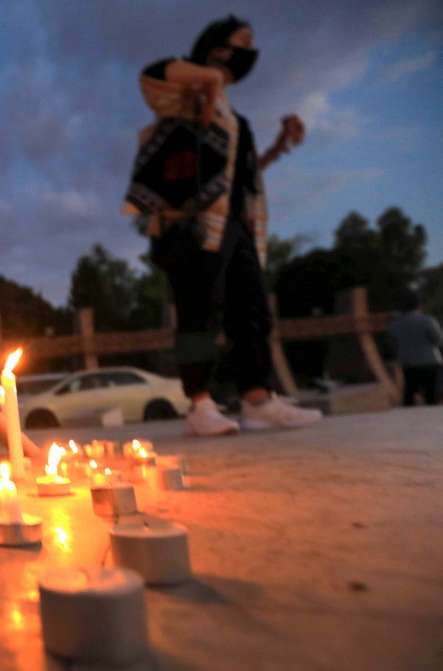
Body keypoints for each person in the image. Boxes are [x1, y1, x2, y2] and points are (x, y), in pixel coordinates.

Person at [125, 15, 322, 436]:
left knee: (251, 310)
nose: (250, 49)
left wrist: (278, 147)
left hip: (236, 225)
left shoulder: (236, 118)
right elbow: (152, 74)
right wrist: (211, 82)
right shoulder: (186, 90)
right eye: (242, 41)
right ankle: (200, 405)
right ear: (216, 46)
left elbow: (238, 175)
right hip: (190, 222)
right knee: (198, 310)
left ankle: (257, 399)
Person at [387, 290, 442, 406]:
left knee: (410, 391)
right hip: (429, 361)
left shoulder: (395, 324)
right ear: (419, 305)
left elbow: (392, 345)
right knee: (431, 394)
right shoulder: (427, 320)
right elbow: (438, 339)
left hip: (407, 362)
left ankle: (408, 419)